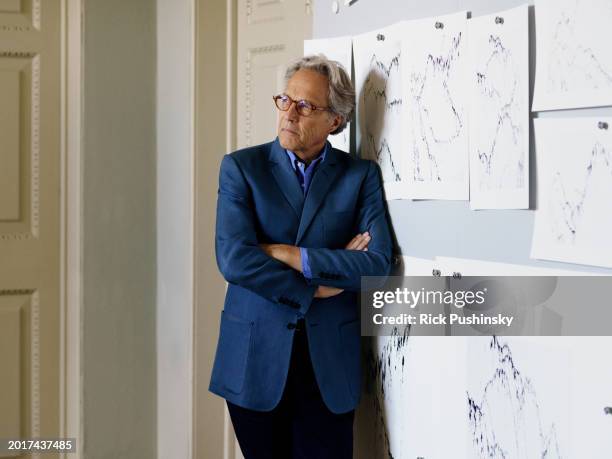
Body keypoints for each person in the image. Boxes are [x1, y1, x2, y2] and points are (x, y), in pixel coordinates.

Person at [209, 54, 393, 458]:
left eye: (306, 105)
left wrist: (288, 254)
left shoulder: (359, 177)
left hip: (329, 367)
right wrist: (315, 289)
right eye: (285, 100)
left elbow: (377, 265)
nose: (290, 114)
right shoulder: (242, 168)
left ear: (335, 121)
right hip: (255, 362)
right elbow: (234, 260)